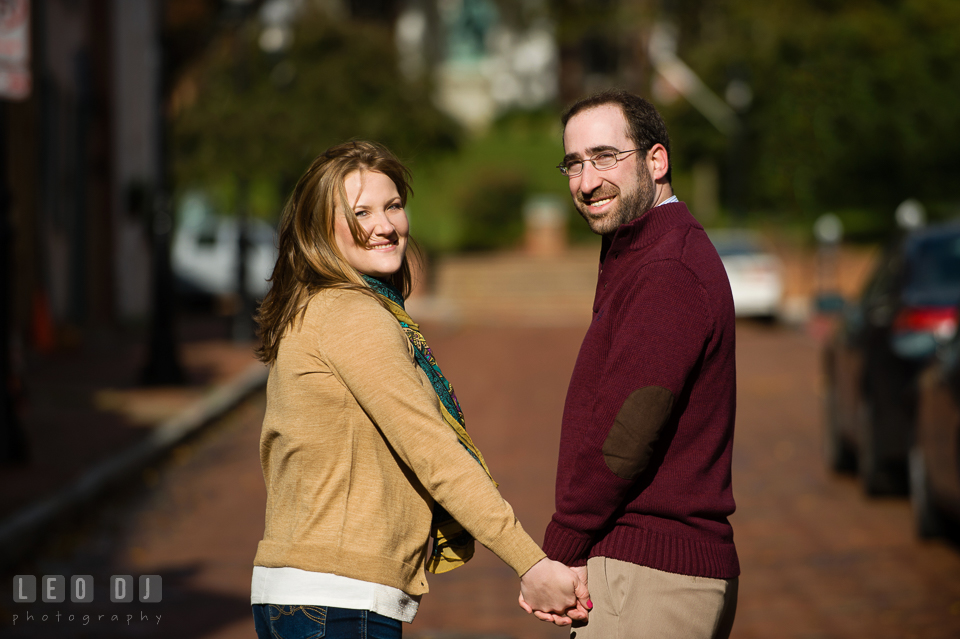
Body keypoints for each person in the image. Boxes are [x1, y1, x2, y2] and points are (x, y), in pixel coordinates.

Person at [250, 140, 589, 639]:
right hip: (338, 599)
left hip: (302, 594)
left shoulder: (316, 306)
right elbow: (433, 450)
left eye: (392, 206)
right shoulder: (352, 316)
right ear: (319, 230)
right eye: (360, 212)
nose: (386, 225)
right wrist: (531, 563)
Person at [522, 90, 740, 637]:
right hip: (646, 572)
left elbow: (627, 432)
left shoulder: (668, 270)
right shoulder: (645, 252)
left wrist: (561, 547)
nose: (586, 180)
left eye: (604, 157)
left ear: (656, 160)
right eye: (573, 164)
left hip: (649, 577)